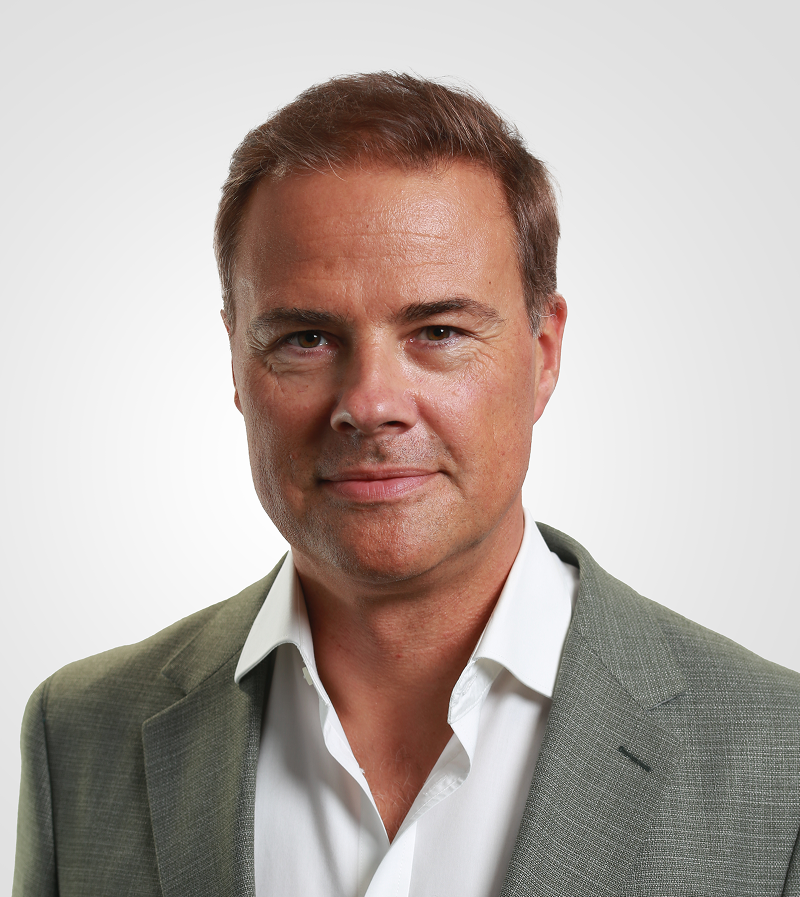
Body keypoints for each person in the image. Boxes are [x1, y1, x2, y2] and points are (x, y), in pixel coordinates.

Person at [13, 73, 800, 897]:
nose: (370, 404)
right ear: (237, 362)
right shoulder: (79, 737)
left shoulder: (779, 763)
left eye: (438, 331)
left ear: (544, 353)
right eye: (307, 337)